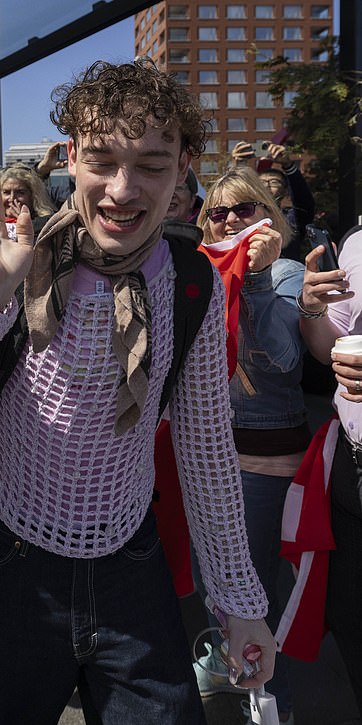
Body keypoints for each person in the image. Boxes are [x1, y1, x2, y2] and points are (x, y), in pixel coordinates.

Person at [0, 59, 275, 724]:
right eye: (103, 159)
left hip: (132, 559)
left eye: (151, 163)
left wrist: (240, 604)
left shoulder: (191, 284)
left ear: (184, 169)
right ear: (70, 157)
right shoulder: (8, 259)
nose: (123, 189)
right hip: (12, 563)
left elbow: (205, 453)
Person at [193, 165, 308, 724]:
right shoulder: (199, 272)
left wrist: (257, 278)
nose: (234, 220)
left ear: (270, 214)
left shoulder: (285, 271)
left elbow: (285, 362)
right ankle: (226, 660)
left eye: (246, 209)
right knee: (214, 576)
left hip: (265, 462)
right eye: (221, 212)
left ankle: (267, 700)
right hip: (208, 456)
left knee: (258, 587)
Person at [295, 227, 362, 715]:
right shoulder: (358, 244)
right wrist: (313, 309)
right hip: (351, 471)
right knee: (352, 619)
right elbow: (329, 345)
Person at [231, 141, 315, 262]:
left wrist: (289, 166)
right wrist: (238, 167)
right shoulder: (244, 216)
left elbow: (304, 202)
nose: (267, 186)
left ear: (285, 192)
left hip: (284, 275)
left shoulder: (292, 219)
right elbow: (233, 199)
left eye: (274, 182)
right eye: (262, 183)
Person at [0, 163, 56, 237]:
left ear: (33, 196)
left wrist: (24, 223)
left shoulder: (46, 224)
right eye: (6, 192)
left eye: (20, 192)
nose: (12, 198)